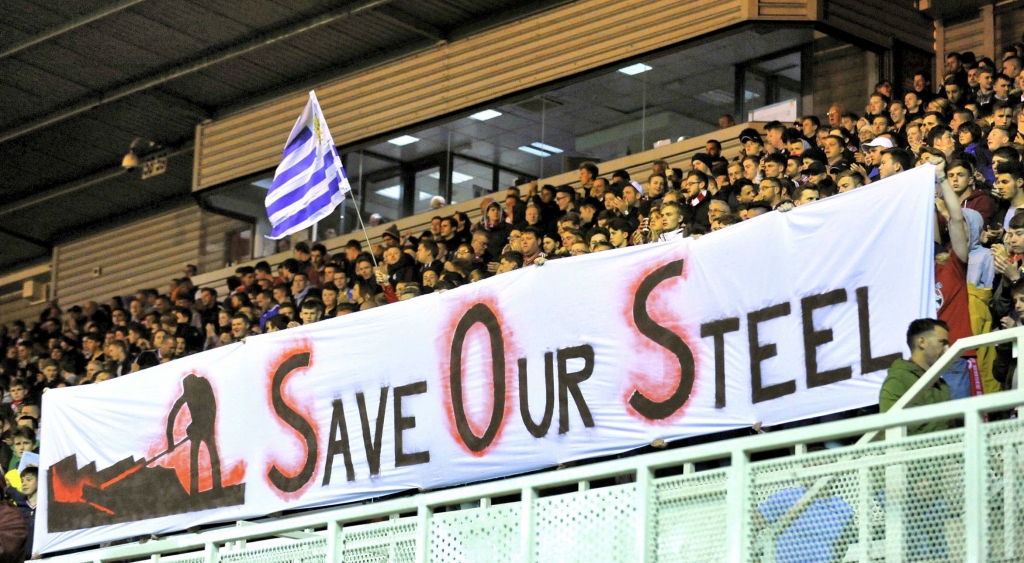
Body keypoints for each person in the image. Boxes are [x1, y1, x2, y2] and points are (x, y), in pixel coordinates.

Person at [879, 319, 951, 434]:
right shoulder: (898, 380)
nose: (948, 350)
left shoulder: (941, 385)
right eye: (942, 343)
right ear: (921, 342)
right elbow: (889, 433)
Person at [166, 374, 221, 495]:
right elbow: (171, 418)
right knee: (197, 461)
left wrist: (206, 426)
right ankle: (195, 491)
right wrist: (171, 443)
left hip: (205, 428)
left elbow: (212, 409)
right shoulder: (188, 395)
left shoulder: (204, 392)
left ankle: (216, 488)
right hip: (197, 429)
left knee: (213, 459)